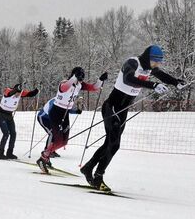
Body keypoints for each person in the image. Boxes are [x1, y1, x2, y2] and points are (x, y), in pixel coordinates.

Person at [81, 45, 186, 192]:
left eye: (158, 62)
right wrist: (153, 85)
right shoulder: (132, 63)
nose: (157, 64)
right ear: (148, 57)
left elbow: (162, 75)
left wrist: (176, 82)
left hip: (123, 111)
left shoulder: (150, 68)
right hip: (111, 107)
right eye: (155, 61)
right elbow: (128, 79)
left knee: (109, 143)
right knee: (114, 144)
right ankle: (98, 176)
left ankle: (88, 168)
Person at [36, 67, 107, 174]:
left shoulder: (79, 85)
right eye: (80, 76)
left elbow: (94, 87)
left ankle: (46, 155)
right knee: (58, 139)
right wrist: (74, 78)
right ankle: (43, 158)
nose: (81, 80)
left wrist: (101, 80)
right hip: (56, 113)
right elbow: (64, 88)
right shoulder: (64, 83)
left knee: (64, 142)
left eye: (82, 77)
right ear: (74, 75)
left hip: (65, 113)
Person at [0, 83, 39, 160]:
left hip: (9, 115)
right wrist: (16, 90)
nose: (18, 95)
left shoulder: (20, 93)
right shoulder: (8, 90)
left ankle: (10, 153)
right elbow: (9, 93)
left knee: (13, 133)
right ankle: (0, 153)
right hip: (1, 114)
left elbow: (30, 94)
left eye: (19, 93)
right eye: (17, 93)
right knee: (6, 133)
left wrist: (37, 90)